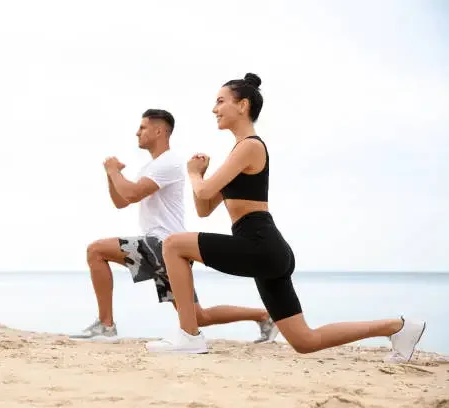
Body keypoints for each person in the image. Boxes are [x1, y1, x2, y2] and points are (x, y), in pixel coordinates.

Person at [144, 74, 426, 362]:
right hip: (266, 249)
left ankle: (189, 336)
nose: (214, 109)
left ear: (242, 105)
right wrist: (199, 175)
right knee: (305, 340)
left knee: (173, 244)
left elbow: (202, 190)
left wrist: (192, 174)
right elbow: (204, 208)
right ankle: (399, 327)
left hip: (259, 243)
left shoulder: (250, 146)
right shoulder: (238, 152)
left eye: (220, 101)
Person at [70, 108, 279, 344]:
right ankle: (263, 316)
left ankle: (106, 326)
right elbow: (120, 201)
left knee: (95, 251)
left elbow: (131, 194)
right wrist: (112, 176)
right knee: (198, 316)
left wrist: (112, 170)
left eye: (142, 127)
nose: (137, 133)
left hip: (160, 244)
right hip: (169, 251)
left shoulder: (168, 163)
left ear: (159, 131)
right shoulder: (151, 167)